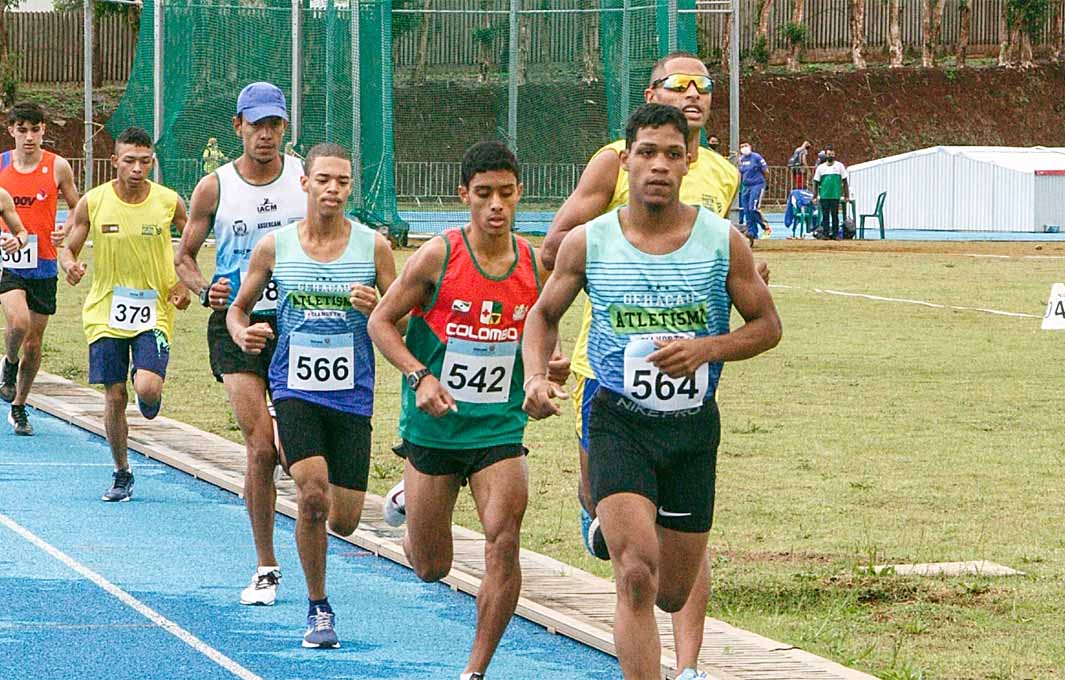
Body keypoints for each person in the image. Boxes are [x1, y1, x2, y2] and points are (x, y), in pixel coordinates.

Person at [522, 103, 782, 680]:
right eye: (647, 153)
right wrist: (537, 376)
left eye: (672, 153)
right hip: (619, 418)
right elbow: (541, 317)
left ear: (689, 161)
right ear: (626, 161)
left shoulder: (723, 241)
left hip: (691, 426)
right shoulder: (589, 243)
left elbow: (768, 327)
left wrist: (707, 349)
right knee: (636, 573)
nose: (659, 165)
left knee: (670, 589)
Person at [370, 141, 567, 680]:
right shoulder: (440, 255)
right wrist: (419, 375)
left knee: (504, 538)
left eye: (506, 193)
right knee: (433, 567)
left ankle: (475, 671)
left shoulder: (534, 264)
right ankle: (410, 501)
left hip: (500, 428)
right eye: (484, 194)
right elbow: (381, 324)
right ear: (464, 196)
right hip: (435, 426)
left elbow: (544, 334)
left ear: (519, 193)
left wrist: (550, 371)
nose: (496, 205)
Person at [228, 142, 395, 649]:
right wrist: (241, 333)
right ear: (305, 183)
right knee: (314, 496)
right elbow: (238, 308)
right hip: (294, 389)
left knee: (342, 517)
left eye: (343, 182)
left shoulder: (374, 248)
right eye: (324, 180)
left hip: (352, 396)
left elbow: (403, 316)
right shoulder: (276, 247)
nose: (333, 190)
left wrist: (380, 306)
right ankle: (319, 608)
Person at [176, 82, 306, 607]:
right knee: (260, 447)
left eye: (275, 124)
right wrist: (205, 289)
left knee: (297, 456)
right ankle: (266, 565)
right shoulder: (215, 187)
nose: (266, 134)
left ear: (284, 128)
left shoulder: (304, 178)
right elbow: (183, 256)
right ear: (239, 127)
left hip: (299, 324)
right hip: (236, 323)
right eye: (257, 125)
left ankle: (273, 497)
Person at [60, 127, 191, 501]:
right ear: (114, 160)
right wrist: (70, 265)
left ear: (153, 162)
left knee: (146, 389)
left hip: (154, 308)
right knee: (114, 394)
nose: (137, 168)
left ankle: (149, 398)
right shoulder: (94, 201)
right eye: (129, 160)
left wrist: (183, 284)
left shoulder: (169, 201)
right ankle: (122, 471)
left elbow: (191, 246)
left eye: (145, 161)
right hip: (105, 310)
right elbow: (70, 247)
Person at [0, 102, 80, 435]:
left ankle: (19, 404)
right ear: (11, 131)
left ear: (44, 130)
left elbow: (80, 208)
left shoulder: (58, 167)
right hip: (9, 261)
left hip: (44, 261)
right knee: (17, 322)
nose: (29, 137)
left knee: (35, 342)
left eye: (35, 129)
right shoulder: (1, 166)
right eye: (22, 129)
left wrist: (67, 228)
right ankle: (8, 362)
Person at [812, 151, 850, 239]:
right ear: (826, 155)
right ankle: (825, 234)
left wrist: (846, 195)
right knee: (825, 216)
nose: (831, 156)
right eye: (829, 154)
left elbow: (845, 181)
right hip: (824, 195)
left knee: (835, 215)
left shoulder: (839, 166)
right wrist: (814, 196)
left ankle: (835, 234)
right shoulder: (820, 168)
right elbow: (816, 182)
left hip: (835, 195)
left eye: (832, 154)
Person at [736, 141, 767, 244]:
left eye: (746, 146)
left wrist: (764, 184)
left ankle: (765, 226)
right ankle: (752, 234)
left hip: (757, 185)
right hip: (746, 187)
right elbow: (740, 173)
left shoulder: (756, 157)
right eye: (742, 146)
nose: (744, 148)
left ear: (750, 146)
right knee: (747, 211)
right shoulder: (741, 159)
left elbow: (765, 171)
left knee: (753, 208)